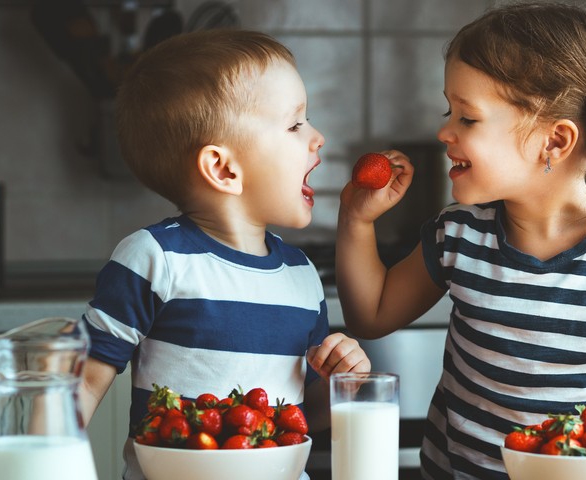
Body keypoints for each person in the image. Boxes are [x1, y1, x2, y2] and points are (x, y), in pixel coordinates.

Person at [335, 3, 586, 479]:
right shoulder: (459, 233)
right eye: (448, 110)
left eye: (468, 119)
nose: (443, 131)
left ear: (555, 142)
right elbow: (370, 316)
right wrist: (355, 221)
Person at [79, 29, 371, 480]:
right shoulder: (154, 258)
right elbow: (80, 386)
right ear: (223, 168)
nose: (318, 138)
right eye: (295, 124)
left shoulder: (301, 274)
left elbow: (301, 416)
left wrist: (340, 385)